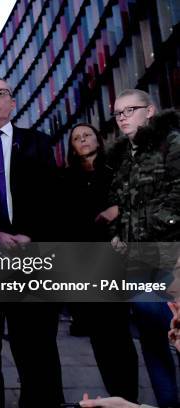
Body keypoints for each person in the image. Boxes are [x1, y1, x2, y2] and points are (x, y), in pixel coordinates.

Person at [0, 76, 64, 407]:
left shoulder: (39, 142)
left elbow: (54, 199)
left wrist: (31, 234)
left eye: (1, 94)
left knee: (37, 350)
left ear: (12, 103)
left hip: (30, 258)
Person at [108, 89, 180, 408]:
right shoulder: (125, 156)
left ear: (149, 111)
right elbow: (122, 208)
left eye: (130, 110)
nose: (123, 117)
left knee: (176, 335)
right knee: (151, 339)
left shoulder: (172, 142)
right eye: (118, 113)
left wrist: (141, 230)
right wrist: (118, 233)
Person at [63, 123, 138, 401]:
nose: (83, 140)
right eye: (77, 138)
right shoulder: (67, 179)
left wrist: (115, 211)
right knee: (99, 336)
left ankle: (128, 397)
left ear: (98, 139)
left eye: (87, 135)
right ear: (72, 146)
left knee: (118, 334)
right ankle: (114, 396)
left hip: (116, 257)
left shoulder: (116, 169)